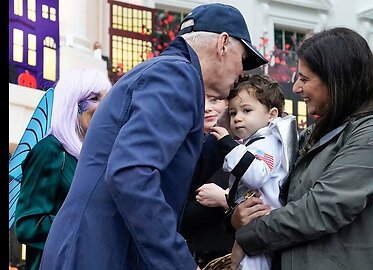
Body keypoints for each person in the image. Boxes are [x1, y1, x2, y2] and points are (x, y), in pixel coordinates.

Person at [40, 3, 267, 270]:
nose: (242, 73)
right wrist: (178, 262)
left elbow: (168, 176)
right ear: (223, 44)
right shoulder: (176, 74)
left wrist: (222, 141)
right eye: (243, 59)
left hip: (93, 249)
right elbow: (131, 173)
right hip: (100, 252)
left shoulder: (166, 72)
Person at [229, 27, 373, 270]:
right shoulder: (314, 134)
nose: (295, 88)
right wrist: (238, 216)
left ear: (337, 80)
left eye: (304, 78)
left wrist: (249, 236)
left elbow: (321, 209)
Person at [13, 68, 112, 270]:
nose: (104, 106)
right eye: (94, 98)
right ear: (73, 103)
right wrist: (89, 226)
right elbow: (28, 225)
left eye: (107, 99)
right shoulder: (51, 150)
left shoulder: (91, 157)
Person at [209, 74, 298, 270]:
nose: (237, 118)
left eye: (247, 110)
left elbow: (256, 174)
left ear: (271, 114)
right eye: (232, 113)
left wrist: (227, 144)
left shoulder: (268, 143)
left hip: (264, 224)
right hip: (255, 224)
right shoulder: (255, 142)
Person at [179, 94, 234, 268]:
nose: (206, 108)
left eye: (214, 100)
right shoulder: (184, 150)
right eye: (199, 101)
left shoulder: (261, 147)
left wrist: (226, 199)